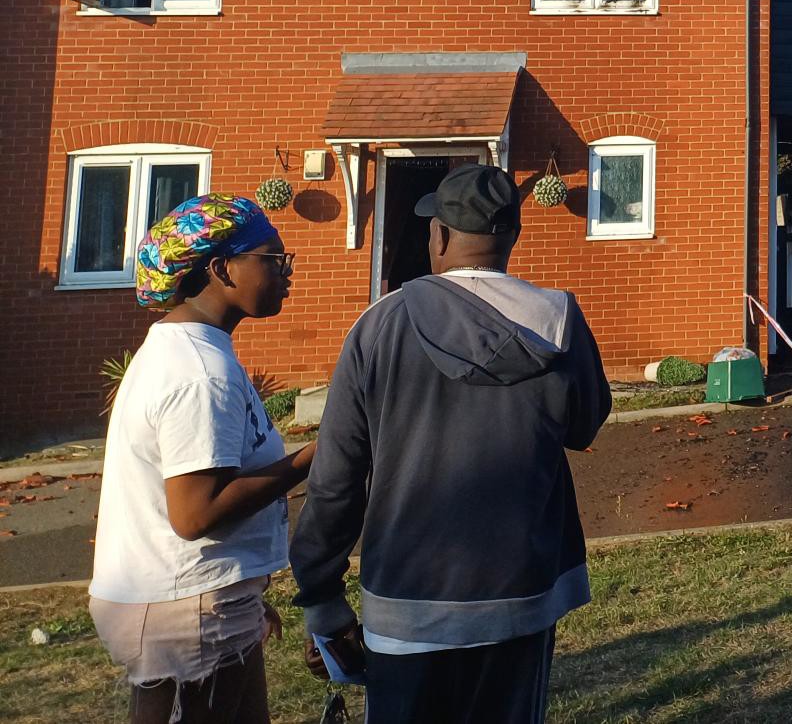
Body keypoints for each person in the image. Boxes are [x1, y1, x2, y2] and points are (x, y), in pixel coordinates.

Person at [290, 165, 611, 724]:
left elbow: (336, 478)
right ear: (512, 235)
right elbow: (584, 427)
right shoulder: (560, 323)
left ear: (436, 237)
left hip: (406, 598)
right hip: (523, 592)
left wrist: (320, 591)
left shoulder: (378, 325)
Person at [90, 195, 315, 724]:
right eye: (272, 259)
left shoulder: (194, 351)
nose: (286, 273)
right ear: (221, 269)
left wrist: (247, 590)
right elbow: (195, 514)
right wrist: (314, 457)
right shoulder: (198, 373)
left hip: (205, 598)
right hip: (185, 611)